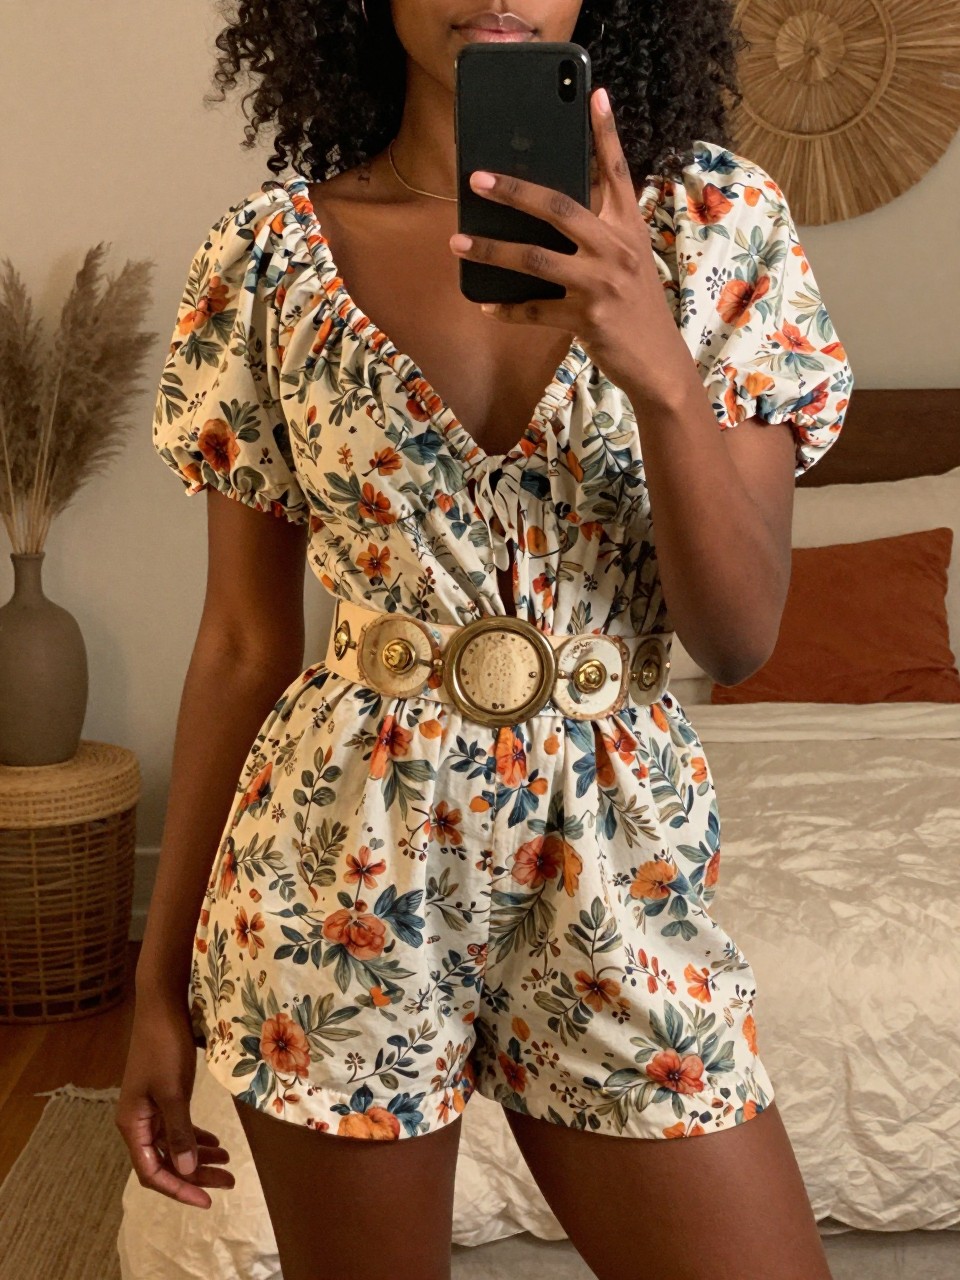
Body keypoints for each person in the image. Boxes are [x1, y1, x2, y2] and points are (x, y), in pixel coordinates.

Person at [117, 2, 854, 1277]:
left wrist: (660, 369)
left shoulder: (716, 228)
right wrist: (154, 983)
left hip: (620, 872)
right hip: (333, 880)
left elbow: (738, 637)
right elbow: (242, 642)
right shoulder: (271, 256)